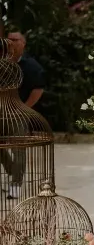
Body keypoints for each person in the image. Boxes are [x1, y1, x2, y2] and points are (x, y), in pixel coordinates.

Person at [2, 32, 45, 199]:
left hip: (18, 114)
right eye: (9, 39)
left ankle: (15, 185)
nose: (11, 42)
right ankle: (14, 171)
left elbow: (38, 89)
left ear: (23, 44)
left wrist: (24, 108)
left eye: (15, 40)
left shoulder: (31, 66)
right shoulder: (2, 63)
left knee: (18, 148)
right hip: (1, 113)